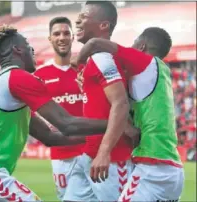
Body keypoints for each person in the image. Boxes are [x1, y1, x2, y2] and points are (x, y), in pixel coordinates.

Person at [0, 24, 110, 202]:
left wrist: (102, 137)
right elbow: (66, 124)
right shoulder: (19, 78)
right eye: (28, 46)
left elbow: (50, 137)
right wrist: (115, 125)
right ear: (17, 49)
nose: (32, 51)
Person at [73, 27, 184, 201]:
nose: (130, 47)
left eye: (133, 44)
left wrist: (78, 64)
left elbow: (94, 43)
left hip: (153, 167)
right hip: (173, 169)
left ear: (141, 46)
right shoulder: (162, 72)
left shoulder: (144, 61)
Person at [63, 1, 136, 201]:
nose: (77, 21)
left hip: (111, 161)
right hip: (89, 156)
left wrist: (104, 152)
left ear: (103, 25)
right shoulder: (94, 61)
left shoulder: (103, 58)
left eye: (84, 17)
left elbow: (120, 104)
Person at [34, 17, 86, 200]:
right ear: (50, 39)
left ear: (73, 37)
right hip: (61, 156)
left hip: (91, 152)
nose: (61, 37)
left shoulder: (86, 69)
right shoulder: (40, 76)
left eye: (66, 33)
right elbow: (30, 113)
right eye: (56, 33)